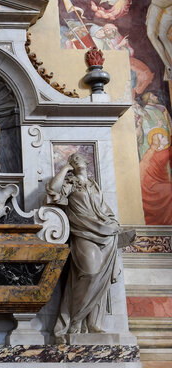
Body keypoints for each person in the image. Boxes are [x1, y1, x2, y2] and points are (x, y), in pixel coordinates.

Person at [46, 152, 121, 340]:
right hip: (82, 234)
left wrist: (114, 226)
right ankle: (75, 319)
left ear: (87, 162)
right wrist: (64, 169)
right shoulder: (70, 184)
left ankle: (91, 322)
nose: (75, 160)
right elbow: (52, 190)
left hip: (105, 234)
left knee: (100, 278)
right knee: (90, 272)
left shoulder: (94, 186)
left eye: (78, 158)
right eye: (72, 159)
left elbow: (105, 210)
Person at [139, 128, 172, 225]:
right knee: (168, 190)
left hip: (159, 182)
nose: (165, 137)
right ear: (158, 142)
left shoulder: (164, 152)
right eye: (162, 137)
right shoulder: (156, 153)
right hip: (151, 186)